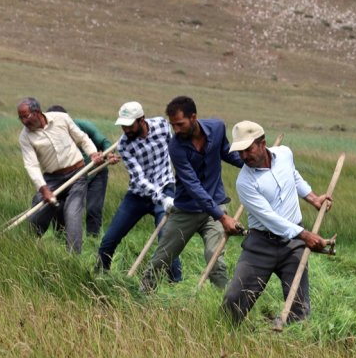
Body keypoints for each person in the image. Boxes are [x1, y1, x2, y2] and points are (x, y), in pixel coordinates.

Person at [221, 121, 333, 324]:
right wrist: (305, 235)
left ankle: (290, 342)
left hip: (293, 246)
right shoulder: (245, 182)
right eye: (240, 152)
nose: (244, 157)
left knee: (299, 308)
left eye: (248, 149)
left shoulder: (284, 154)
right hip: (261, 245)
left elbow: (293, 175)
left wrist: (313, 198)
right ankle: (220, 337)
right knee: (233, 302)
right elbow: (270, 219)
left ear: (262, 143)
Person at [140, 96, 244, 292]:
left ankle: (227, 305)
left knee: (215, 259)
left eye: (180, 124)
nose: (176, 130)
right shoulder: (176, 146)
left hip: (216, 204)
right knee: (161, 258)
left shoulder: (217, 128)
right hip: (187, 210)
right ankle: (142, 296)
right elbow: (193, 185)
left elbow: (227, 153)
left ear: (193, 117)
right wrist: (223, 218)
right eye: (173, 125)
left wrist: (251, 164)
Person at [97, 101, 182, 281]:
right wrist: (162, 199)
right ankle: (100, 277)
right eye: (123, 126)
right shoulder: (124, 145)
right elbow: (139, 179)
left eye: (129, 125)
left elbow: (176, 149)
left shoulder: (162, 126)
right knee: (109, 241)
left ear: (141, 120)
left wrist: (176, 188)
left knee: (167, 240)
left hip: (166, 187)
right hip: (138, 196)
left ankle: (176, 284)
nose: (126, 130)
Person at [17, 97, 104, 254]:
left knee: (72, 214)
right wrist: (43, 189)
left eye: (26, 116)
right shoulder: (25, 137)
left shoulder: (61, 118)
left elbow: (82, 139)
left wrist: (93, 154)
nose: (24, 121)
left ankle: (73, 258)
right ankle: (26, 247)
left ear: (37, 112)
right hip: (52, 179)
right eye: (20, 118)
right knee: (38, 206)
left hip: (77, 174)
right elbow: (31, 165)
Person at [46, 105, 119, 237]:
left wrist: (108, 155)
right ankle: (60, 237)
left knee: (93, 209)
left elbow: (104, 142)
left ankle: (93, 239)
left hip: (95, 173)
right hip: (70, 177)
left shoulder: (83, 126)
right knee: (59, 207)